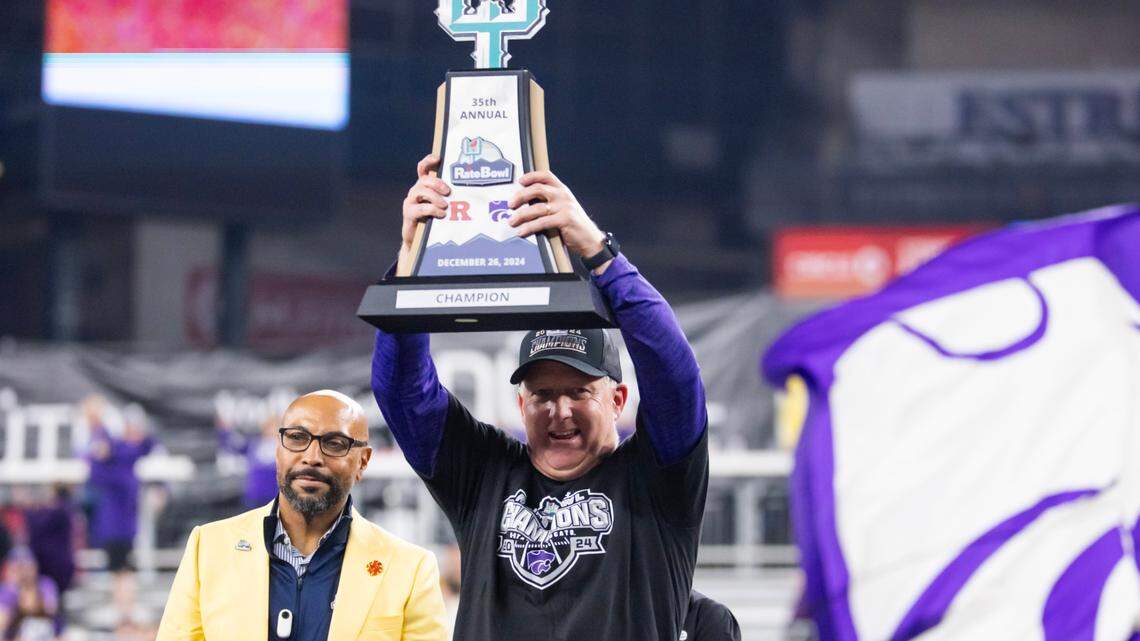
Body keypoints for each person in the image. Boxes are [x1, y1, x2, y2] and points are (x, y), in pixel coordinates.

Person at [371, 156, 709, 640]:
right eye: (543, 394)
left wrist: (597, 250)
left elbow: (675, 377)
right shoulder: (485, 476)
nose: (560, 411)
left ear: (617, 400)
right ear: (520, 405)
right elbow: (403, 392)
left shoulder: (659, 479)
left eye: (578, 392)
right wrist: (413, 259)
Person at [156, 390, 447, 641]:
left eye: (334, 443)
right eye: (297, 438)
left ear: (363, 461)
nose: (312, 457)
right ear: (278, 448)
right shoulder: (208, 548)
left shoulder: (410, 569)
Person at [84, 397, 155, 627]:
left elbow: (146, 443)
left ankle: (125, 610)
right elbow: (98, 456)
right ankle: (123, 610)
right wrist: (98, 429)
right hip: (115, 526)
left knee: (123, 570)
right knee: (120, 571)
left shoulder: (123, 459)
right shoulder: (113, 464)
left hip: (122, 527)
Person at [217, 412, 281, 509]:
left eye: (274, 426)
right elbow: (234, 445)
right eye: (269, 426)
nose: (271, 430)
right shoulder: (254, 444)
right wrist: (224, 431)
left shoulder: (285, 448)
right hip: (254, 496)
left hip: (275, 498)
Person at [0, 547, 60, 641]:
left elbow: (50, 609)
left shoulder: (45, 583)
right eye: (19, 567)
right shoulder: (7, 588)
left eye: (27, 566)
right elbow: (2, 621)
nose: (24, 571)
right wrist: (15, 590)